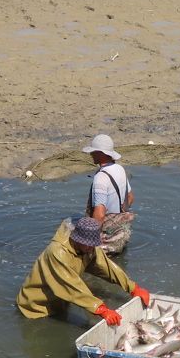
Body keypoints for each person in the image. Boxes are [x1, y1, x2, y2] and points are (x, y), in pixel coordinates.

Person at [16, 217, 150, 324]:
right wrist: (100, 309)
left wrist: (132, 287)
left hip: (59, 303)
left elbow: (106, 267)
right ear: (76, 239)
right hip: (36, 308)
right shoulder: (57, 253)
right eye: (89, 244)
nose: (92, 248)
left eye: (94, 244)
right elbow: (71, 286)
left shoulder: (88, 247)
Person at [82, 134, 135, 254]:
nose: (91, 154)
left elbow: (99, 215)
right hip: (122, 235)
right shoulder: (119, 169)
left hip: (106, 242)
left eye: (94, 152)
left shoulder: (101, 178)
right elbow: (131, 197)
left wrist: (90, 242)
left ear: (101, 154)